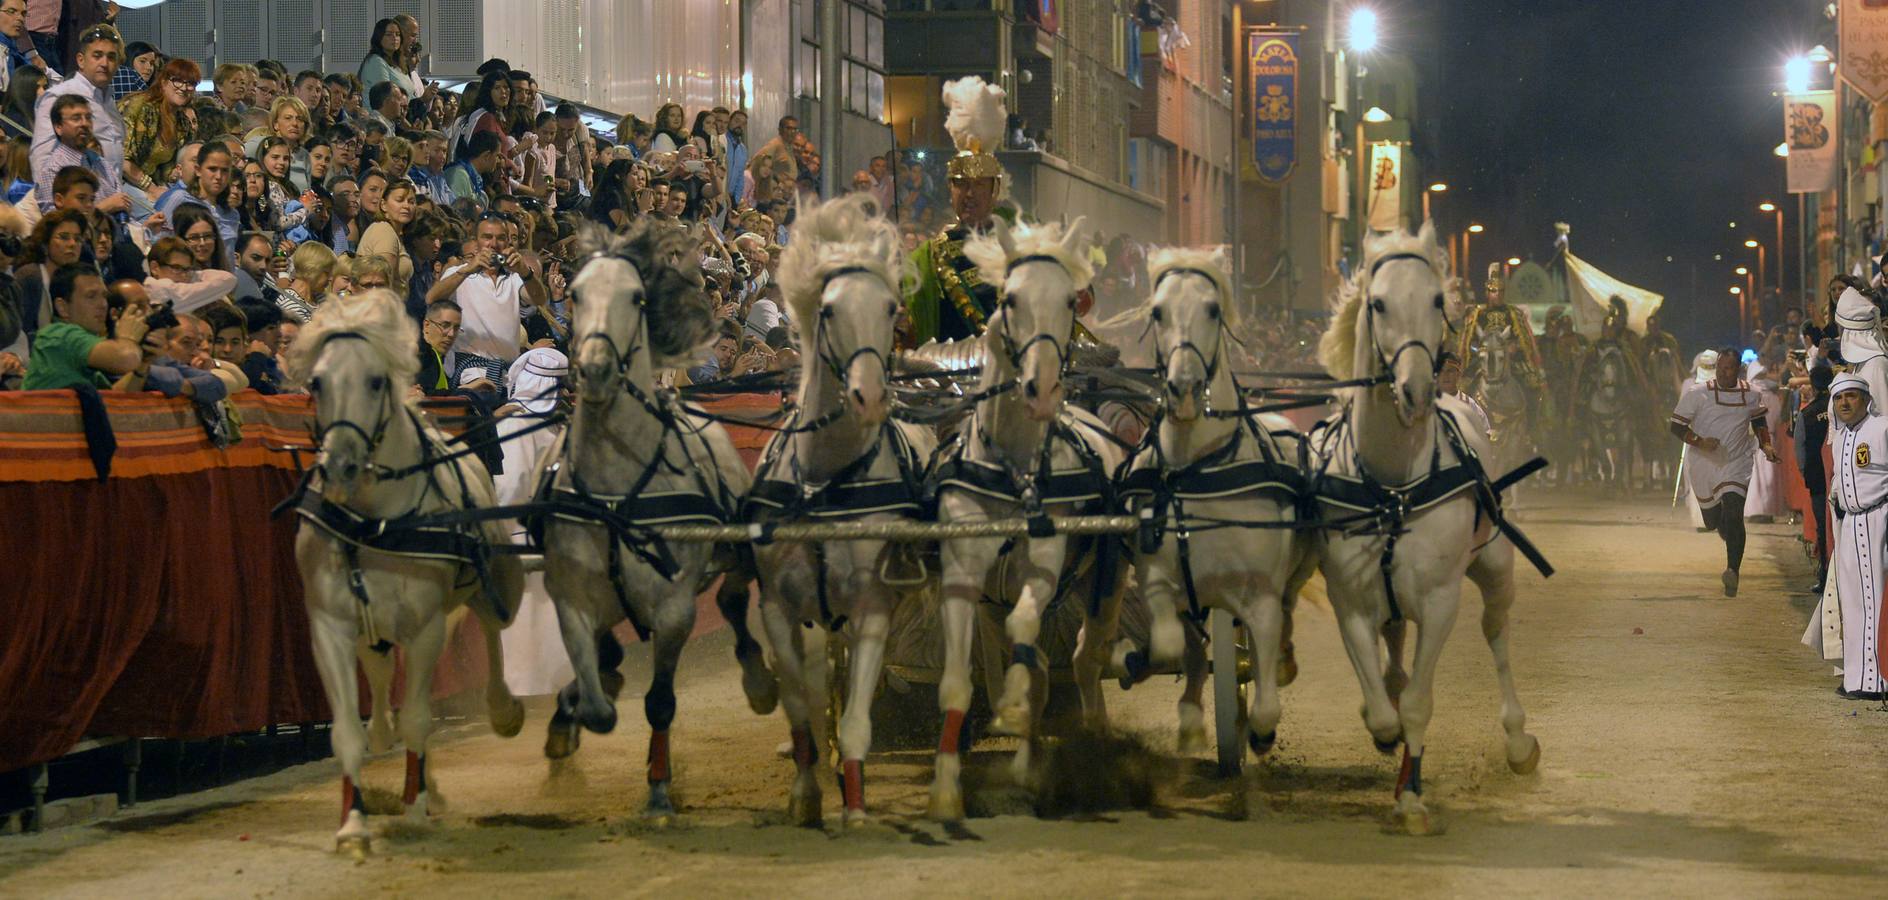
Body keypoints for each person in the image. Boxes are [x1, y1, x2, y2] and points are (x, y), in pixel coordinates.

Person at [905, 78, 1017, 346]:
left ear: (995, 189)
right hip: (947, 377)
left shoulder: (1023, 238)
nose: (970, 194)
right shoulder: (928, 257)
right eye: (961, 185)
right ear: (950, 188)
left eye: (979, 185)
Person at [1670, 348, 1779, 598]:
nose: (1723, 372)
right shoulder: (1698, 392)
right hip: (1704, 464)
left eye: (1728, 368)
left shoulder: (1751, 394)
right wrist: (1698, 441)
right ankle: (1722, 527)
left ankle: (1732, 571)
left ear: (1738, 369)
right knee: (1712, 522)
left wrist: (1767, 445)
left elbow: (1758, 421)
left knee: (1734, 510)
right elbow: (1675, 426)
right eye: (1720, 367)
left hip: (1737, 462)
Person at [1811, 372, 1888, 700]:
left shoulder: (1882, 428)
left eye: (1852, 396)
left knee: (1874, 601)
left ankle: (1876, 681)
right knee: (1852, 604)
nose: (1844, 403)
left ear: (1866, 399)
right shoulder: (1841, 436)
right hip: (1849, 525)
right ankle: (1855, 677)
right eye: (1839, 398)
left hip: (1878, 521)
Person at [428, 212, 545, 388]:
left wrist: (525, 271)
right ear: (476, 241)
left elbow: (540, 300)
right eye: (487, 237)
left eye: (500, 238)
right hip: (470, 370)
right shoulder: (459, 273)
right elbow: (431, 298)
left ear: (508, 242)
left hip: (507, 372)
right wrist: (468, 269)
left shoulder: (515, 277)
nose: (494, 244)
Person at [21, 260, 149, 390]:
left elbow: (114, 397)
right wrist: (127, 338)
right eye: (91, 296)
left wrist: (143, 362)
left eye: (104, 296)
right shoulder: (58, 336)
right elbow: (126, 359)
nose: (103, 304)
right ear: (62, 307)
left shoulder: (85, 342)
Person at [120, 57, 198, 208]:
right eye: (177, 80)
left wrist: (174, 175)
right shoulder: (141, 107)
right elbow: (123, 161)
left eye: (190, 83)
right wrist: (152, 189)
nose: (183, 87)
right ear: (163, 82)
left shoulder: (183, 123)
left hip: (154, 185)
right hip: (121, 181)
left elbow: (167, 168)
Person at [1796, 364, 1835, 593]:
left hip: (1818, 481)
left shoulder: (1806, 413)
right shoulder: (1842, 406)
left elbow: (1799, 450)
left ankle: (1825, 578)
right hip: (1841, 479)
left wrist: (1805, 473)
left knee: (1823, 529)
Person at [141, 233, 235, 314]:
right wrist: (195, 277)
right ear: (155, 268)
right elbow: (227, 280)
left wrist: (192, 274)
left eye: (187, 269)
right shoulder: (156, 288)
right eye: (176, 268)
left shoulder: (188, 288)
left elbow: (228, 279)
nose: (183, 276)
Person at [1437, 351, 1492, 439]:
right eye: (1441, 371)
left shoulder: (1468, 403)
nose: (1445, 376)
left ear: (1458, 374)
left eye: (1450, 371)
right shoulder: (1429, 403)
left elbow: (1486, 432)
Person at [445, 130, 500, 210]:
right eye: (497, 156)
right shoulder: (458, 175)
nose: (498, 161)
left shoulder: (476, 176)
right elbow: (455, 212)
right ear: (486, 155)